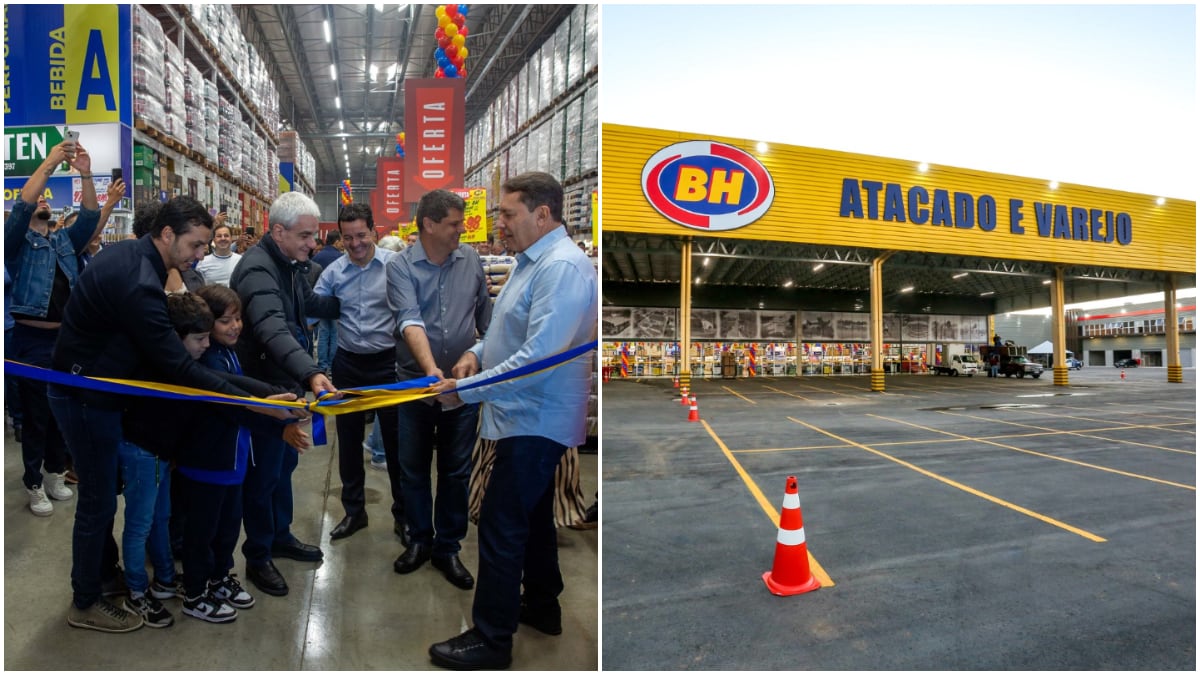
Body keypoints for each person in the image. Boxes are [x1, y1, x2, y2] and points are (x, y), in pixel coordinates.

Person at [49, 195, 277, 633]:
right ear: (167, 234)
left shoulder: (138, 260)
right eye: (196, 244)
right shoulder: (139, 279)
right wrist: (254, 401)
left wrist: (263, 394)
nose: (201, 255)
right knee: (98, 501)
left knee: (104, 496)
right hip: (84, 398)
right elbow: (178, 365)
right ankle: (86, 601)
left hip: (98, 392)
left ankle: (102, 576)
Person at [427, 172, 597, 670]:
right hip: (524, 414)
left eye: (507, 213)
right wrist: (476, 354)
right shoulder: (533, 262)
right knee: (533, 519)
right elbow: (509, 329)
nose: (498, 222)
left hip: (536, 418)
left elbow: (538, 358)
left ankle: (491, 639)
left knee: (501, 525)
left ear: (542, 214)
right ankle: (542, 606)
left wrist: (464, 392)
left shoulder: (561, 268)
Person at [229, 190, 339, 598]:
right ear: (278, 232)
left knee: (283, 468)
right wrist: (311, 372)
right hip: (265, 394)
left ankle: (279, 535)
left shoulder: (290, 266)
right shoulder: (258, 269)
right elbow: (271, 327)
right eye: (306, 236)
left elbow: (308, 303)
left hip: (285, 387)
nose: (313, 243)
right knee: (262, 477)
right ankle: (258, 555)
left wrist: (358, 300)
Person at [5, 139, 119, 517]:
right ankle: (34, 481)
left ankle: (55, 471)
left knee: (61, 411)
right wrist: (50, 163)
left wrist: (85, 173)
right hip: (30, 339)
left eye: (45, 198)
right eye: (38, 198)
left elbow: (89, 217)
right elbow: (22, 204)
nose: (41, 200)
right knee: (36, 416)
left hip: (64, 339)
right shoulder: (15, 242)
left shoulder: (62, 241)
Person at [386, 189, 492, 590]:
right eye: (453, 223)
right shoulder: (400, 267)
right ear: (429, 225)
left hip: (461, 390)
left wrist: (476, 354)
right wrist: (431, 374)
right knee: (412, 468)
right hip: (416, 386)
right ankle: (419, 540)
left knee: (455, 470)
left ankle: (448, 547)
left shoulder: (471, 261)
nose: (461, 230)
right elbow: (409, 320)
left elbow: (487, 321)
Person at [115, 293, 216, 629]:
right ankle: (136, 590)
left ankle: (165, 579)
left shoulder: (182, 365)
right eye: (199, 338)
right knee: (140, 524)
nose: (206, 345)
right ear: (175, 337)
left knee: (162, 518)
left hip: (160, 454)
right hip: (142, 452)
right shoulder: (156, 365)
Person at [312, 203, 404, 542]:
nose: (355, 244)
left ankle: (404, 516)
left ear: (374, 232)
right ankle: (354, 512)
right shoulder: (334, 272)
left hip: (389, 363)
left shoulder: (395, 266)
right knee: (349, 443)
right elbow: (312, 309)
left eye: (361, 235)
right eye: (348, 237)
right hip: (348, 364)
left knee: (396, 444)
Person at [311, 230, 344, 375]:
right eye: (341, 240)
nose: (343, 244)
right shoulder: (341, 259)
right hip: (336, 303)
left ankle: (322, 365)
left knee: (323, 334)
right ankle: (331, 365)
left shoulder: (317, 257)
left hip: (320, 301)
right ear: (336, 241)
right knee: (335, 334)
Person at [195, 216, 241, 286]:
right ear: (213, 240)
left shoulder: (240, 260)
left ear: (231, 238)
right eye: (219, 236)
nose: (223, 238)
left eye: (226, 236)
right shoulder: (203, 262)